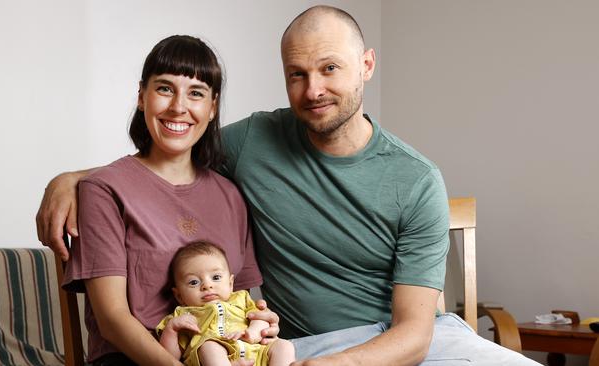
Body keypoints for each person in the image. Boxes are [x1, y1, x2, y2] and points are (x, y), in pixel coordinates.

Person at [38, 6, 541, 366]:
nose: (313, 89)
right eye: (297, 74)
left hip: (400, 344)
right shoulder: (254, 142)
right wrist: (74, 180)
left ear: (366, 64)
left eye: (329, 69)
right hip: (301, 344)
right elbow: (169, 155)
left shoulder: (416, 179)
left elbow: (414, 334)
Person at [59, 35, 277, 366]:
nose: (179, 106)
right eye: (164, 89)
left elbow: (243, 298)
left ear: (212, 106)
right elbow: (112, 321)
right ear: (142, 97)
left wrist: (259, 323)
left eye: (196, 93)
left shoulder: (231, 196)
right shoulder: (103, 189)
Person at [156, 241, 295, 366]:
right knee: (209, 346)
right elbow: (170, 357)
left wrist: (252, 332)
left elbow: (261, 318)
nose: (207, 285)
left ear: (230, 283)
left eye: (215, 277)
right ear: (179, 295)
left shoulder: (242, 298)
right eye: (194, 282)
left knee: (284, 345)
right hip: (215, 359)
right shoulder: (181, 315)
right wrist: (171, 330)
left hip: (257, 353)